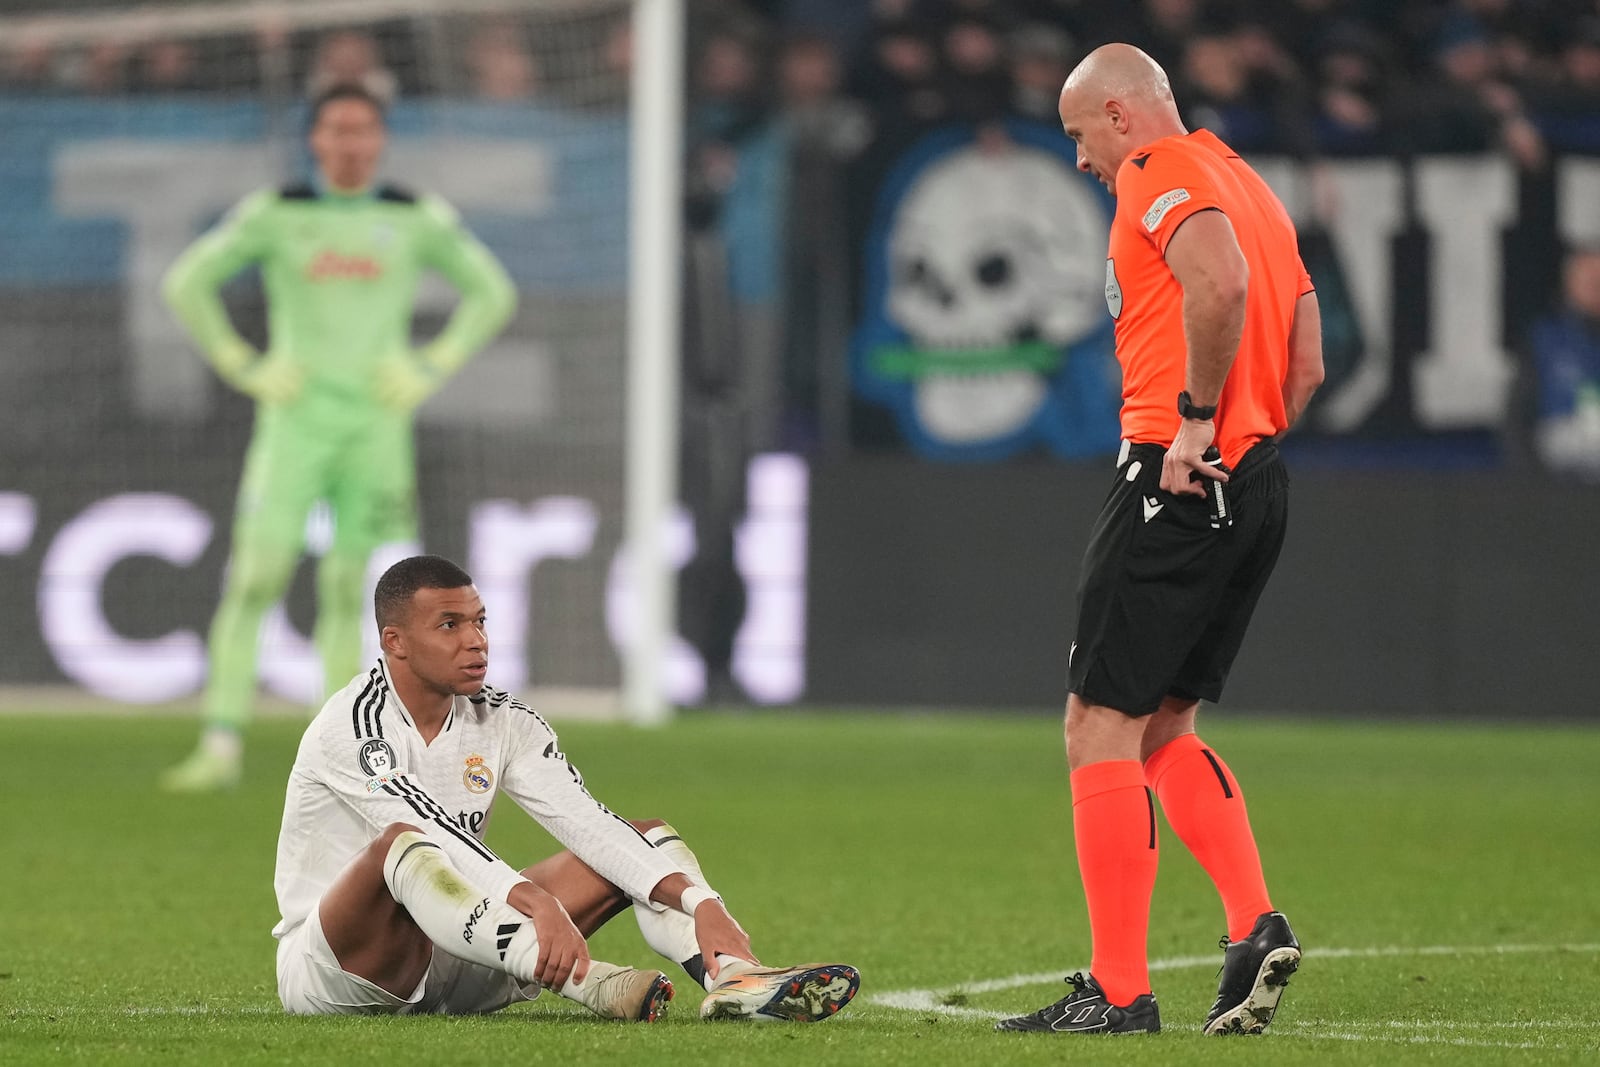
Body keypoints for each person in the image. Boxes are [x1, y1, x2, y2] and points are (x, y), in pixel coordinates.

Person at [995, 44, 1324, 1037]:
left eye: (1080, 134)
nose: (1083, 159)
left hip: (1175, 474)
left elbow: (1215, 285)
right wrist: (1237, 438)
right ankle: (1250, 922)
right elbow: (1304, 361)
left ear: (1120, 115)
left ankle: (1119, 989)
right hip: (1253, 481)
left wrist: (1191, 423)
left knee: (1096, 722)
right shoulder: (1246, 181)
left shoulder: (1158, 172)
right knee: (1163, 722)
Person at [271, 553, 861, 1022]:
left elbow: (584, 820)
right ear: (394, 641)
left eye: (479, 622)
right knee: (404, 843)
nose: (475, 641)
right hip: (346, 973)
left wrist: (701, 902)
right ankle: (590, 983)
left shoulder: (503, 719)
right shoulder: (353, 725)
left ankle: (736, 980)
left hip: (469, 953)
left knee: (642, 838)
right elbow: (431, 831)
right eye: (449, 625)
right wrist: (534, 901)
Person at [159, 83, 517, 792]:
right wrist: (243, 364)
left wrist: (428, 367)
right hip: (293, 422)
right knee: (258, 573)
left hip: (376, 428)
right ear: (315, 140)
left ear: (379, 140)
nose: (350, 143)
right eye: (336, 130)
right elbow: (186, 282)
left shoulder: (412, 217)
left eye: (362, 130)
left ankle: (335, 746)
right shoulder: (278, 213)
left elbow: (493, 292)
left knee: (350, 582)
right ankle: (221, 741)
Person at [1528, 246, 1600, 481]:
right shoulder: (1546, 339)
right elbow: (1518, 413)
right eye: (1588, 279)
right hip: (1562, 461)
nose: (1594, 287)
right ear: (1570, 283)